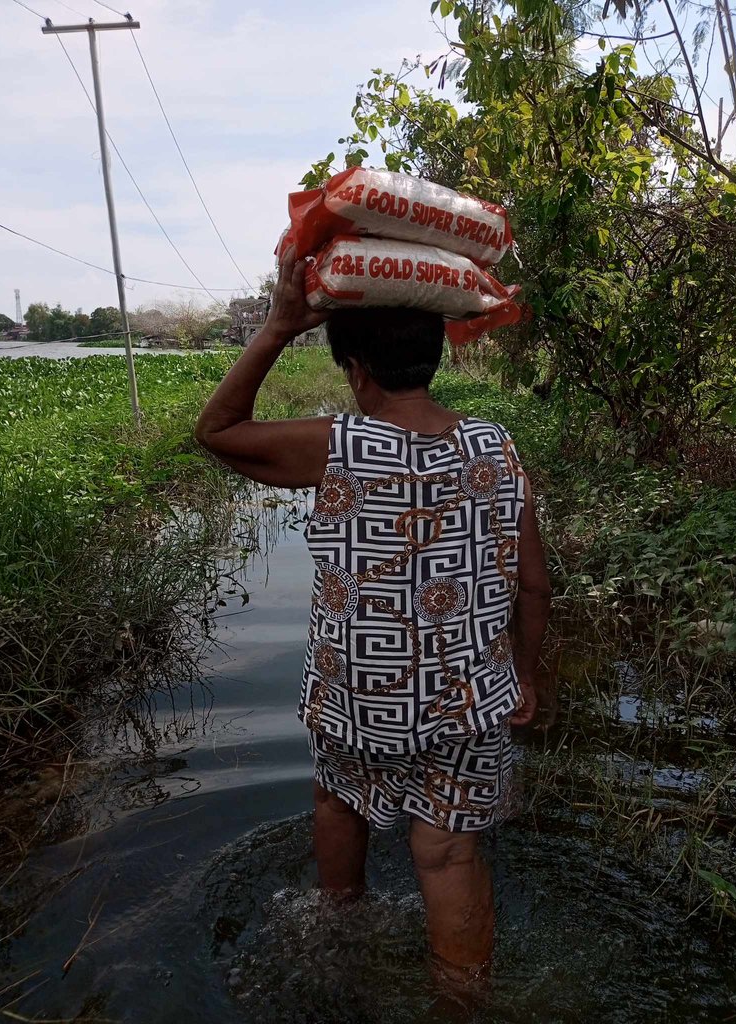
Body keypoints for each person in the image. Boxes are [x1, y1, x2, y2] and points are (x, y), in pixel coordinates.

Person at [195, 245, 551, 981]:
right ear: (435, 359)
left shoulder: (338, 445)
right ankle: (460, 1002)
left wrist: (277, 327)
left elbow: (217, 431)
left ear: (355, 369)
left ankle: (339, 933)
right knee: (448, 850)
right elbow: (535, 585)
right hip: (467, 700)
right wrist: (524, 675)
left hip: (358, 698)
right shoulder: (495, 445)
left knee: (337, 799)